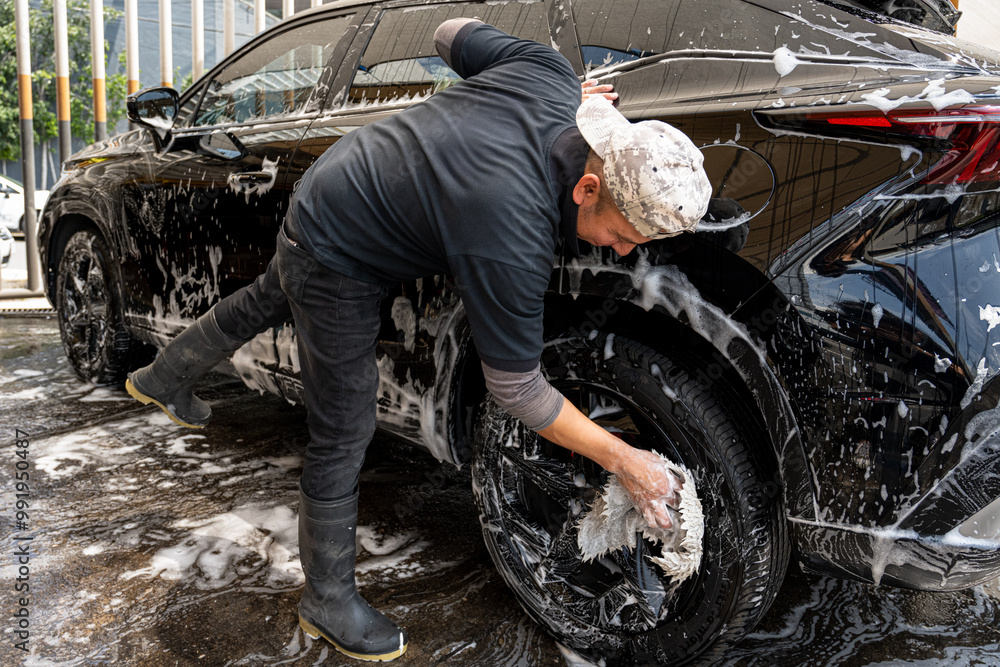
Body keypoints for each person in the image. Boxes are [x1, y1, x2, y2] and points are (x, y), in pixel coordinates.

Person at [125, 18, 711, 663]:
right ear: (588, 186)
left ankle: (159, 379)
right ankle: (326, 599)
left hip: (340, 178)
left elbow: (449, 31)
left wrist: (571, 89)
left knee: (269, 294)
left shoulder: (550, 77)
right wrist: (623, 460)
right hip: (339, 246)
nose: (625, 253)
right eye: (624, 234)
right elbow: (517, 390)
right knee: (344, 421)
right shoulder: (508, 227)